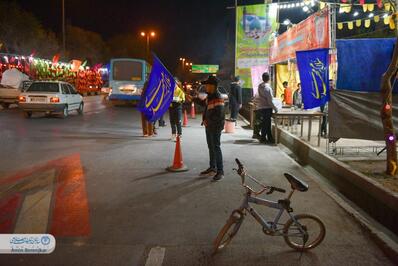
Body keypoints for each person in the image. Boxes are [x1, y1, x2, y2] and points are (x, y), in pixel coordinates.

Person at [197, 75, 225, 181]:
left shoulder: (218, 97)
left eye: (208, 85)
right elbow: (203, 103)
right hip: (208, 126)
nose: (206, 87)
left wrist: (208, 122)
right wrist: (193, 99)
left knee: (216, 147)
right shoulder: (210, 96)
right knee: (211, 147)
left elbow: (220, 116)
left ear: (213, 86)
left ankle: (220, 171)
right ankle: (212, 167)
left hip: (215, 127)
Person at [254, 72, 278, 144]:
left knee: (266, 123)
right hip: (267, 108)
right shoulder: (268, 88)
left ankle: (269, 138)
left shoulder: (260, 86)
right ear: (269, 79)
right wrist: (275, 108)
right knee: (266, 123)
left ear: (262, 78)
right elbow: (270, 100)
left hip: (261, 107)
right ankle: (263, 138)